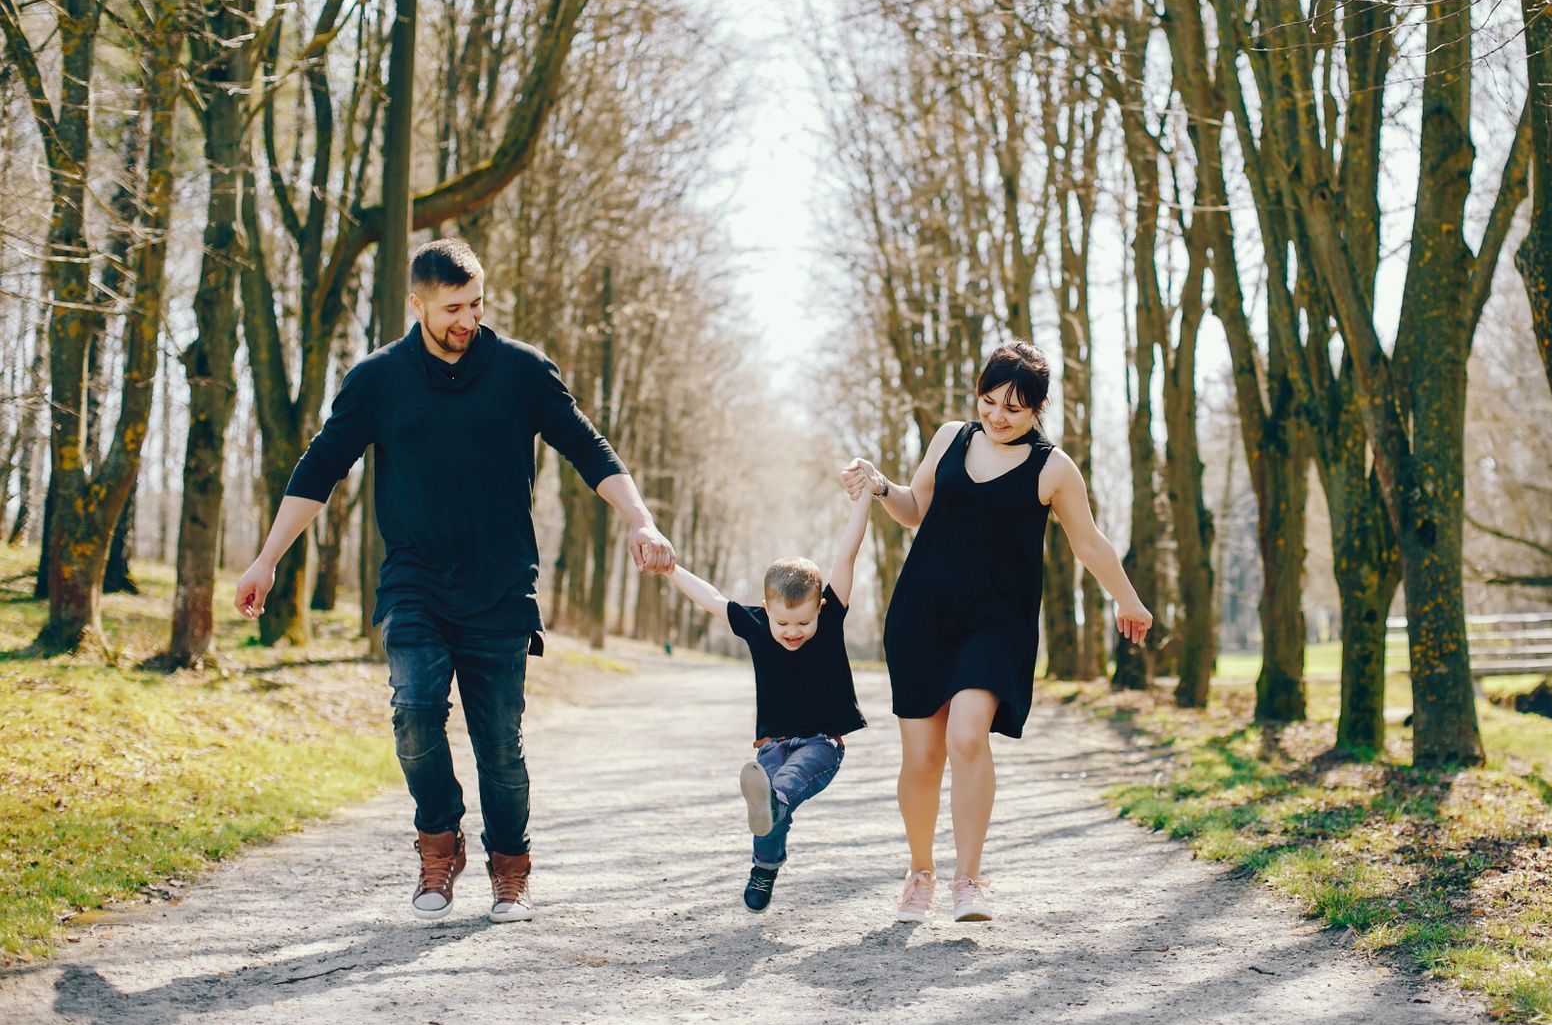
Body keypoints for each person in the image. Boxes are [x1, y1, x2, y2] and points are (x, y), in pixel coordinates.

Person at [232, 238, 675, 924]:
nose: (467, 320)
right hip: (415, 579)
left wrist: (640, 522)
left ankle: (510, 868)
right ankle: (439, 844)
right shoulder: (378, 380)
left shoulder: (522, 372)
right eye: (452, 308)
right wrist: (266, 558)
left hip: (501, 585)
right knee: (413, 713)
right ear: (418, 305)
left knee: (499, 745)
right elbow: (319, 470)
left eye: (475, 304)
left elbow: (590, 448)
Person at [842, 341, 1152, 925]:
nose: (997, 415)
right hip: (922, 615)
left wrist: (1127, 599)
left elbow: (1088, 543)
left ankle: (969, 880)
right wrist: (882, 486)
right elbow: (916, 510)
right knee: (922, 757)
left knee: (966, 737)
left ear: (1038, 407)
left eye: (1013, 406)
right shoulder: (950, 438)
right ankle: (920, 874)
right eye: (989, 401)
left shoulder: (1053, 468)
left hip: (996, 624)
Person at [667, 487, 872, 912]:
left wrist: (864, 500)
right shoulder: (757, 625)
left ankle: (770, 823)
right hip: (771, 745)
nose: (793, 631)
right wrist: (671, 569)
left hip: (821, 744)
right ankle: (765, 866)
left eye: (804, 621)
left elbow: (846, 557)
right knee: (769, 802)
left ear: (820, 607)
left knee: (782, 788)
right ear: (765, 609)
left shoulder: (830, 618)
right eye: (782, 622)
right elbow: (711, 600)